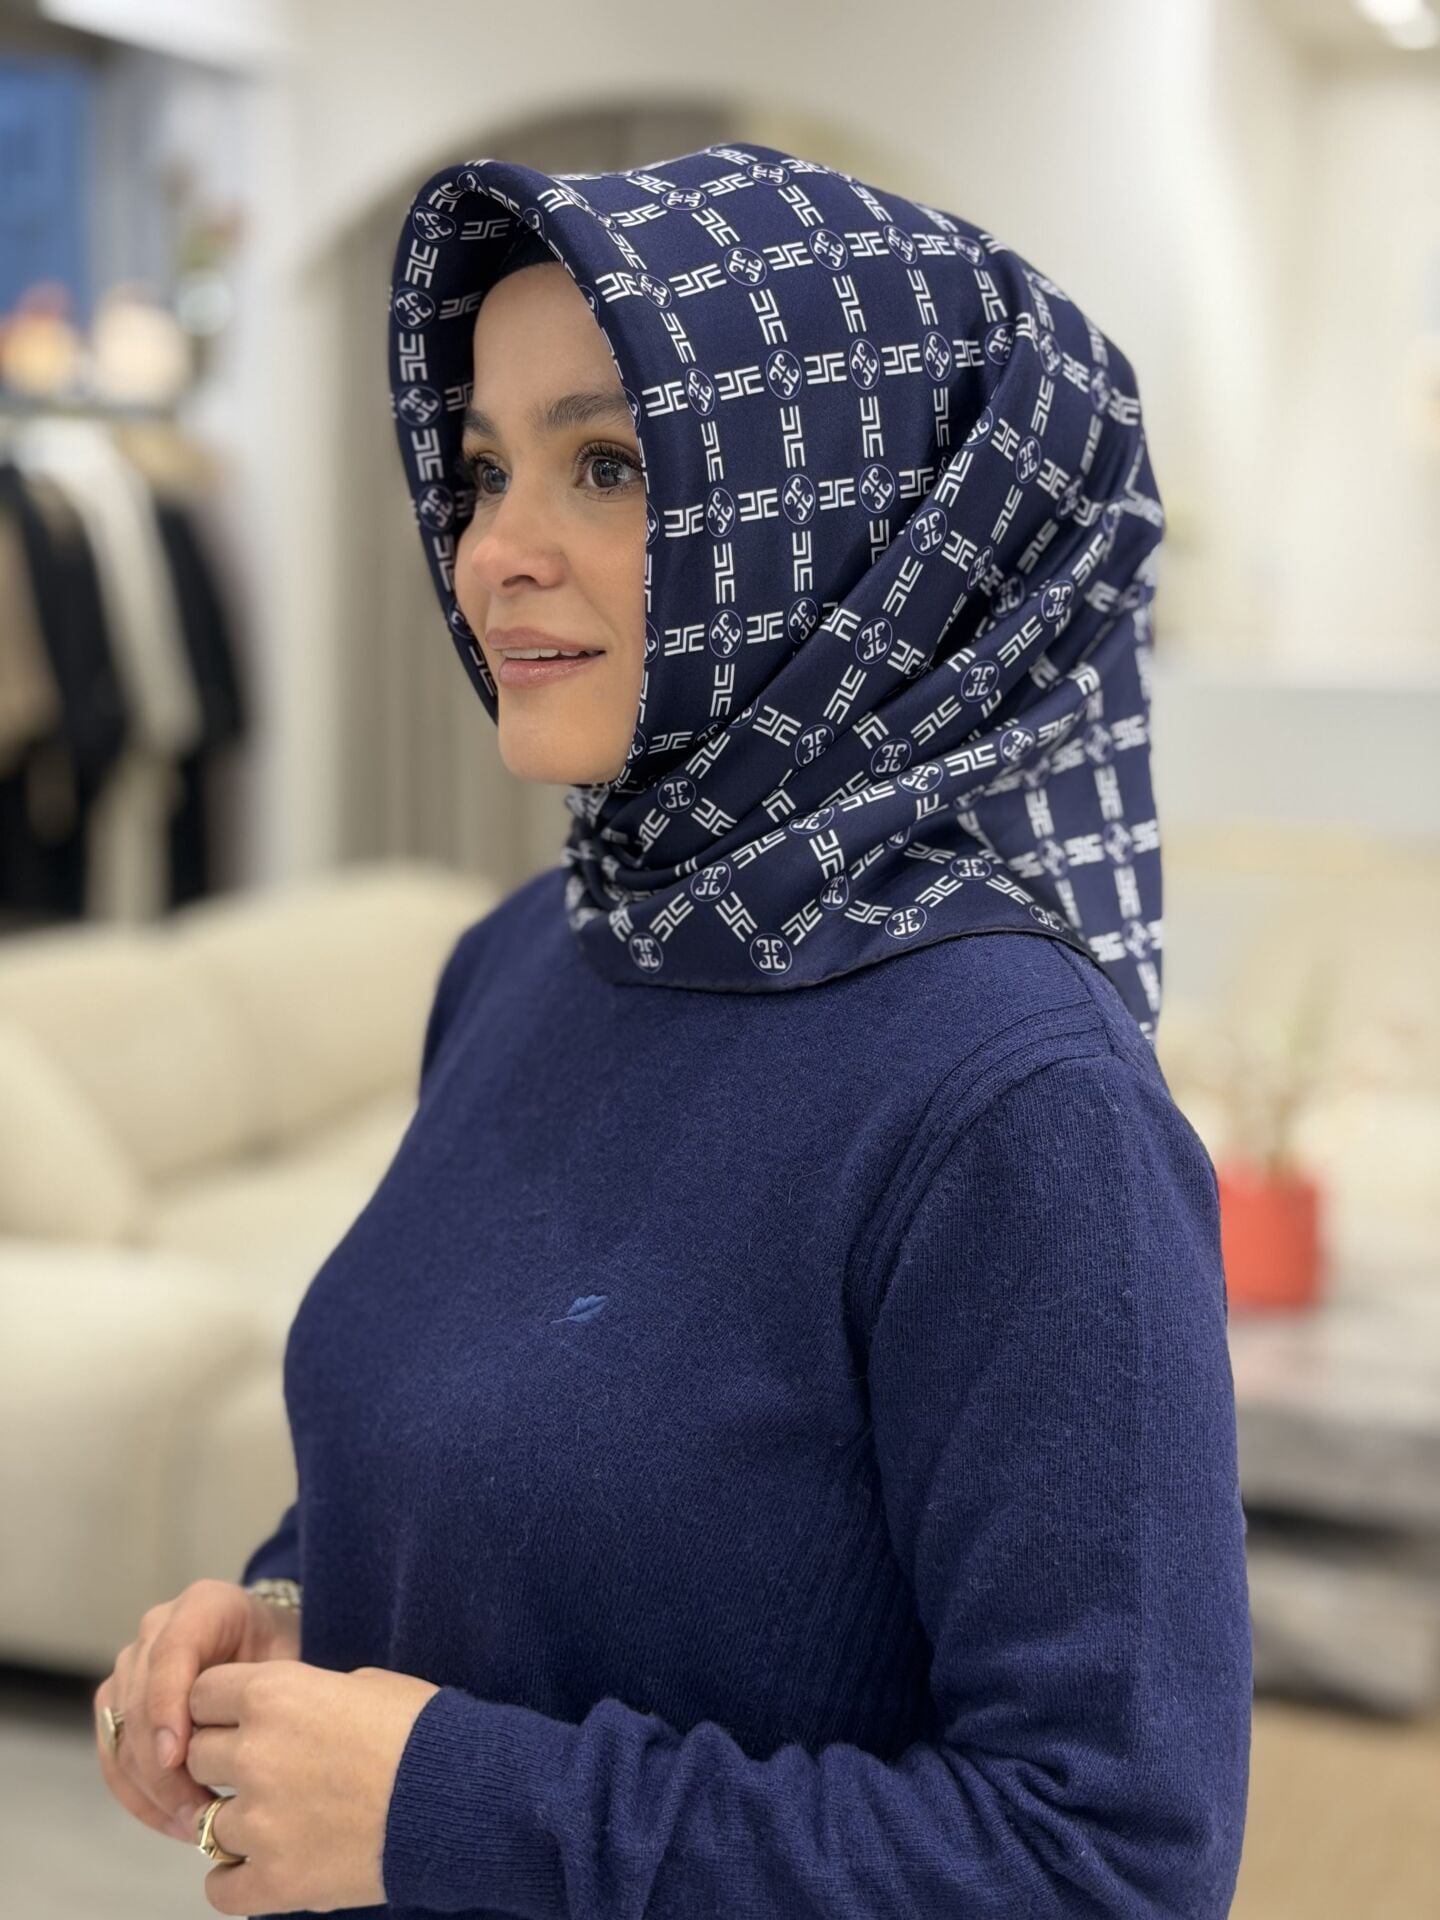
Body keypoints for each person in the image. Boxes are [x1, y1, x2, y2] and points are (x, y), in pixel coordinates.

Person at [95, 141, 1252, 1919]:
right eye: (486, 469)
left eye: (609, 465)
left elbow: (1108, 1863)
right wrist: (291, 1617)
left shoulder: (1018, 1100)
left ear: (859, 524)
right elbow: (494, 1486)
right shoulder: (529, 958)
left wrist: (453, 1805)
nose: (494, 554)